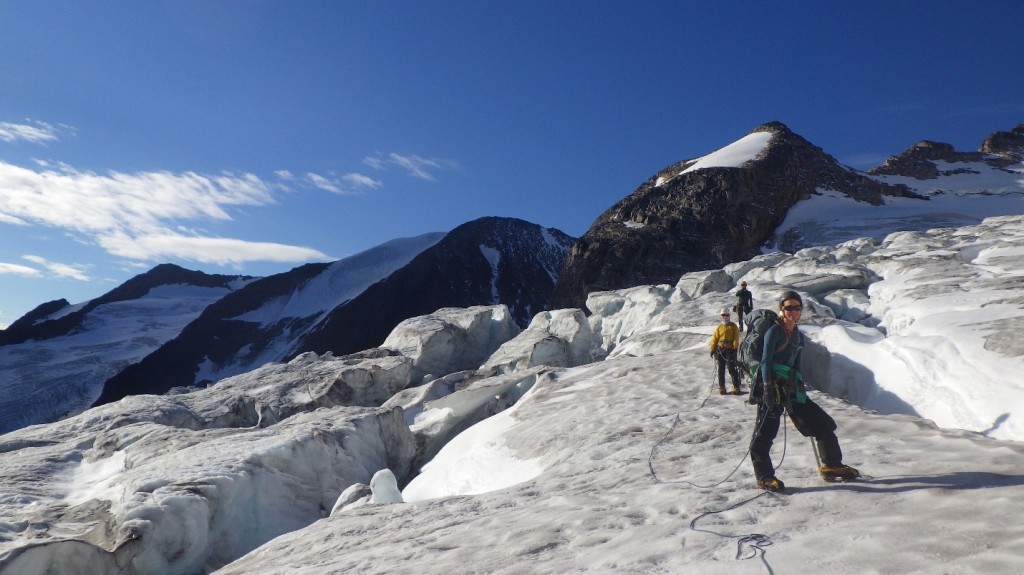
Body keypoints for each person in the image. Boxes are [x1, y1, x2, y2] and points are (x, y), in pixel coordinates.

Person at [749, 291, 859, 492]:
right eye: (789, 307)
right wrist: (766, 389)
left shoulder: (797, 334)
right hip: (772, 386)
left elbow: (796, 363)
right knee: (764, 434)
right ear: (781, 309)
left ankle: (831, 465)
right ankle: (764, 477)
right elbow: (765, 360)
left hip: (790, 387)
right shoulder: (774, 331)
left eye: (797, 307)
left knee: (823, 424)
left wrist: (799, 387)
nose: (793, 311)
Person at [709, 307, 742, 395]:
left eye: (726, 315)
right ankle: (722, 388)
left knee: (731, 369)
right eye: (723, 315)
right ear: (721, 316)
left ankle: (736, 387)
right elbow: (715, 339)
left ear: (729, 316)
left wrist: (735, 346)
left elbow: (736, 337)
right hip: (720, 350)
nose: (725, 317)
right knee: (721, 370)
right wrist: (712, 349)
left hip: (730, 350)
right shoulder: (719, 327)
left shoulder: (733, 326)